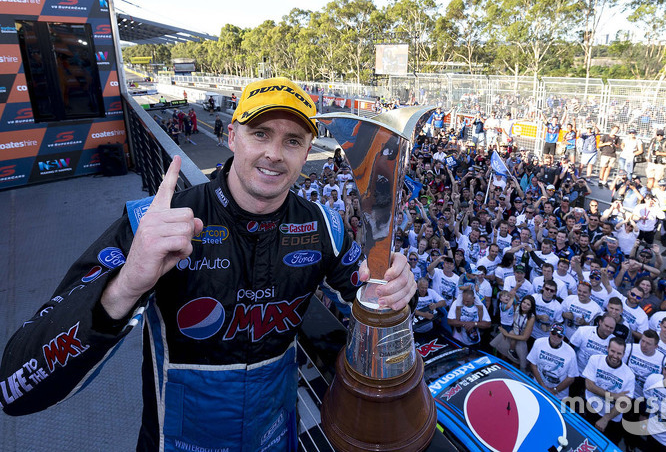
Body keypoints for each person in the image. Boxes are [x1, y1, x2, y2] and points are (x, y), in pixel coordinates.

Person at [0, 78, 416, 451]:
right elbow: (15, 387)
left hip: (276, 436)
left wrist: (393, 291)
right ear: (232, 136)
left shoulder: (325, 226)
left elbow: (370, 300)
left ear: (309, 151)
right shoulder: (154, 224)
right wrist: (124, 286)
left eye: (292, 141)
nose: (273, 153)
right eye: (260, 133)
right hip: (178, 441)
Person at [528, 324, 578, 399]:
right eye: (554, 333)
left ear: (563, 337)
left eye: (559, 336)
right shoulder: (538, 342)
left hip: (558, 395)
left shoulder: (571, 352)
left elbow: (571, 378)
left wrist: (554, 391)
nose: (555, 337)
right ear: (550, 332)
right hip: (538, 386)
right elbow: (533, 364)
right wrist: (542, 386)